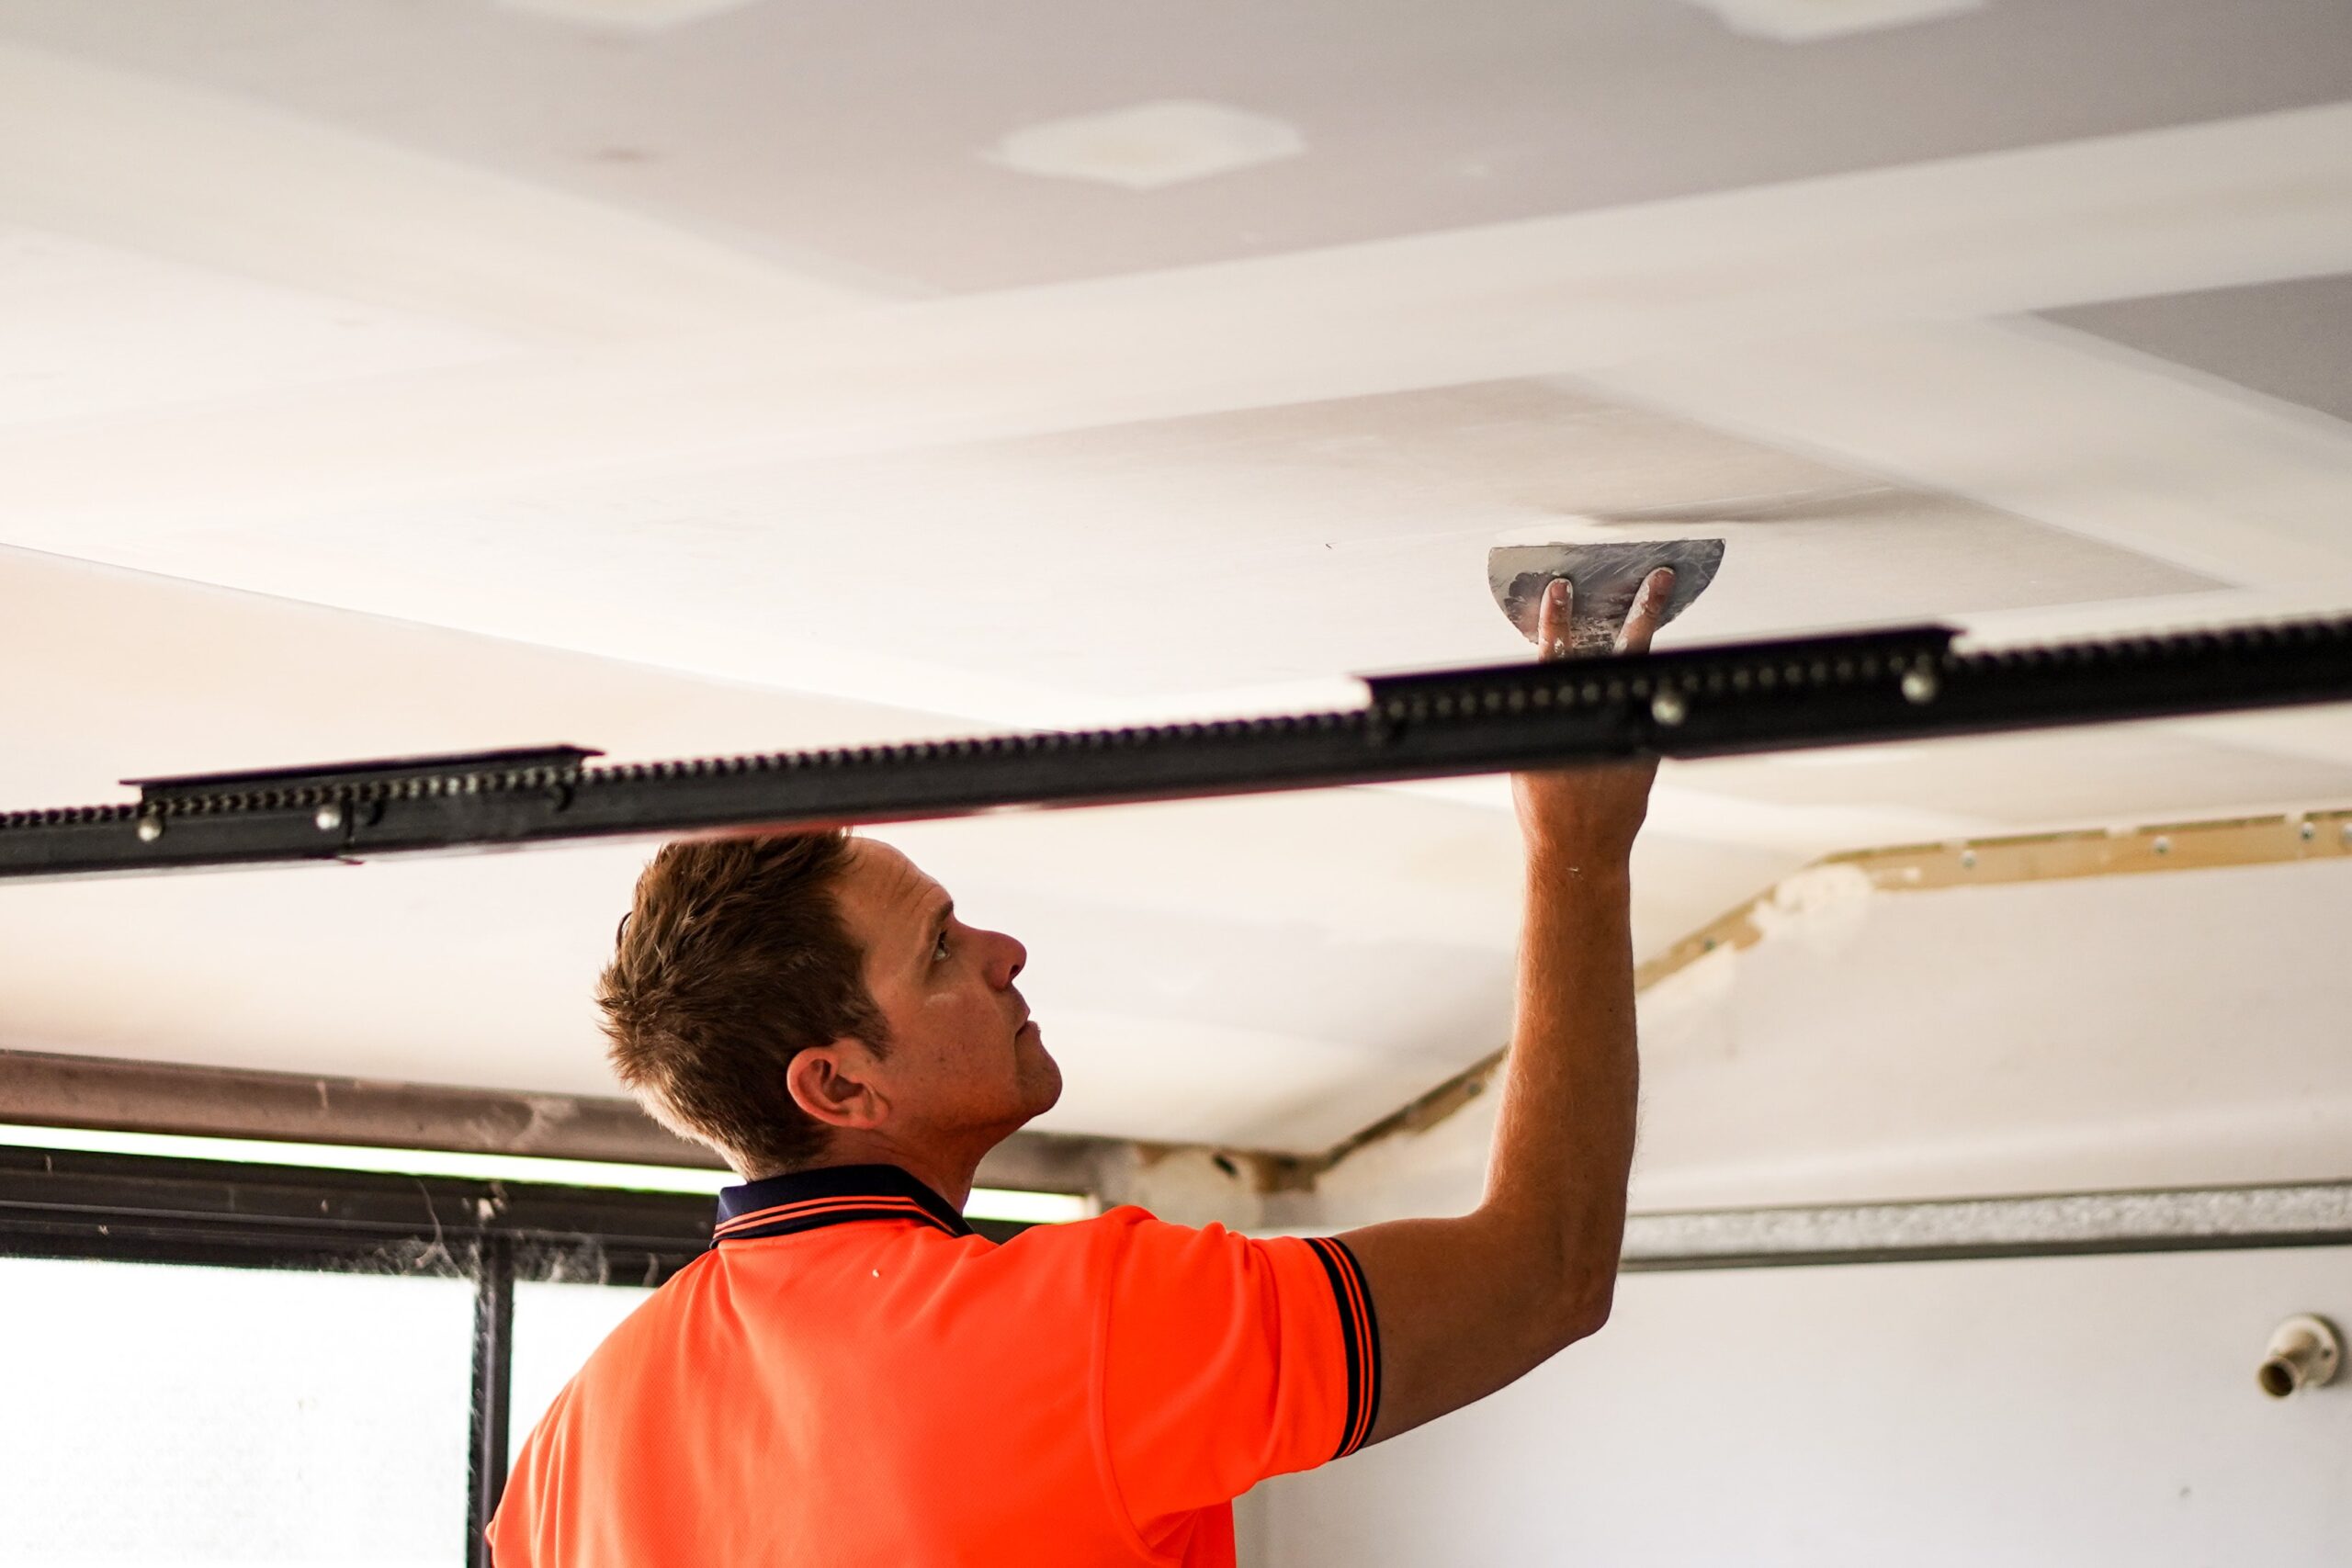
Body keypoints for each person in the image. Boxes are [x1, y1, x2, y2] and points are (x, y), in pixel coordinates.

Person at [487, 569, 1674, 1566]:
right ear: (837, 1086)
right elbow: (1545, 1270)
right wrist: (1579, 849)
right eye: (940, 951)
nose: (1005, 952)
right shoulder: (1086, 1331)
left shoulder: (558, 1466)